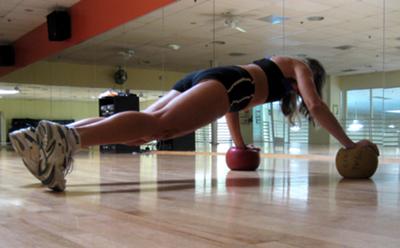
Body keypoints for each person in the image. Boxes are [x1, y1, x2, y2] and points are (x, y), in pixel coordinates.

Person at [9, 56, 379, 192]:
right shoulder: (298, 66)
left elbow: (235, 108)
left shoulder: (270, 71)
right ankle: (68, 138)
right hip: (231, 83)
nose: (306, 87)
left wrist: (238, 145)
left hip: (221, 80)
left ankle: (43, 137)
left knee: (144, 131)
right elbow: (316, 106)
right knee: (159, 125)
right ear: (313, 72)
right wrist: (349, 145)